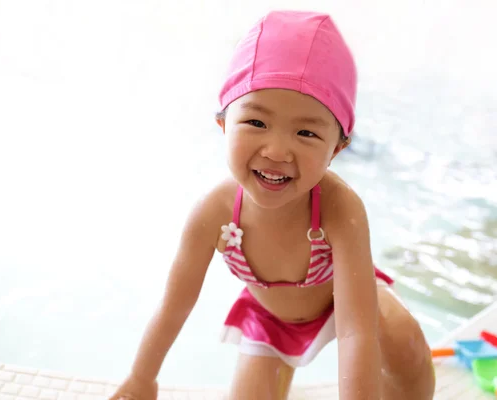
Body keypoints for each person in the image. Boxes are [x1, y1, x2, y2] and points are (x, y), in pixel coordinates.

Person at [110, 10, 435, 400]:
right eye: (256, 123)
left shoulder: (339, 208)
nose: (277, 151)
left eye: (306, 132)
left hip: (345, 302)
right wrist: (142, 378)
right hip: (271, 318)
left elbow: (356, 331)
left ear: (337, 148)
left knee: (404, 340)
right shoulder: (212, 213)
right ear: (223, 124)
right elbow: (174, 306)